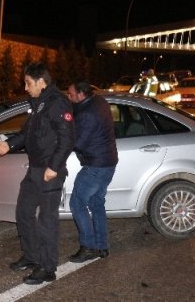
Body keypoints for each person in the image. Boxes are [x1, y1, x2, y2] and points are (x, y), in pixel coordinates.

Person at [0, 62, 74, 285]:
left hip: (49, 171)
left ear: (40, 81)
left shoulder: (57, 103)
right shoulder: (39, 104)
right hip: (35, 169)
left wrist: (54, 167)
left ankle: (47, 268)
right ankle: (31, 256)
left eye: (28, 83)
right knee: (23, 212)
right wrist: (9, 144)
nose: (25, 87)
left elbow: (67, 139)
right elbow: (27, 133)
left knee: (47, 221)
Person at [65, 80, 119, 263]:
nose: (69, 97)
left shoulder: (87, 114)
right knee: (97, 204)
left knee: (77, 203)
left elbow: (77, 142)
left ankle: (88, 246)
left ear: (81, 95)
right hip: (108, 163)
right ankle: (102, 246)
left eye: (71, 94)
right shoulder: (99, 101)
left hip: (95, 166)